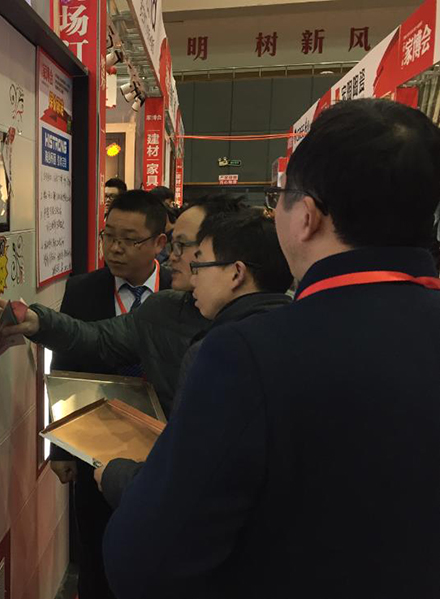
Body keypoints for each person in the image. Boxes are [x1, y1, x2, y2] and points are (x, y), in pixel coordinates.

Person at [102, 98, 440, 599]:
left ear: (307, 216)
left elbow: (145, 561)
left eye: (279, 196)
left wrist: (121, 479)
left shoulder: (249, 355)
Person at [97, 208, 293, 510]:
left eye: (200, 263)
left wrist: (116, 476)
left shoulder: (218, 353)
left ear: (236, 273)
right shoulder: (301, 333)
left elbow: (187, 482)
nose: (193, 273)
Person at [0, 194, 245, 418]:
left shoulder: (254, 334)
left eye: (183, 246)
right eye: (108, 236)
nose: (174, 256)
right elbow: (95, 339)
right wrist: (39, 321)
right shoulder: (164, 308)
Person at [49, 190, 172, 599]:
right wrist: (62, 448)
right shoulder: (83, 290)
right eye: (109, 236)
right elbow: (65, 365)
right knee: (96, 550)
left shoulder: (182, 290)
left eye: (129, 240)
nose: (115, 248)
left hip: (165, 443)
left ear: (159, 242)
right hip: (96, 443)